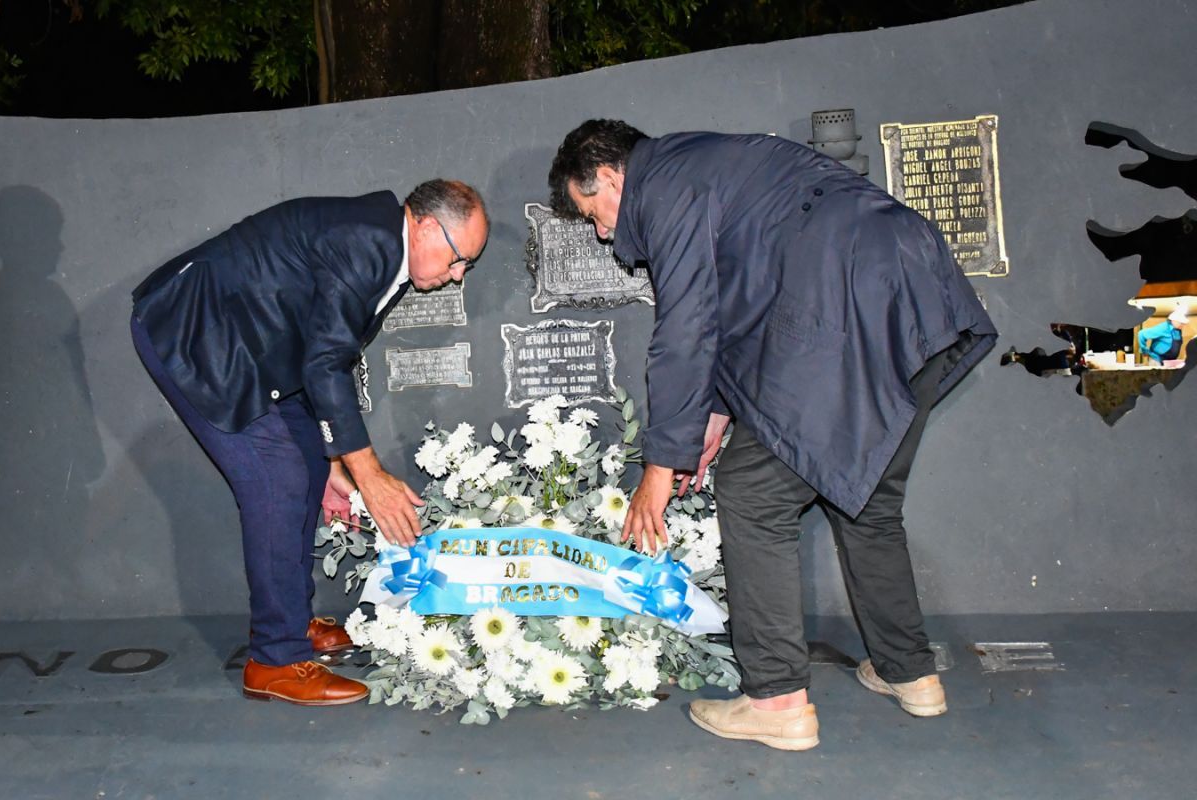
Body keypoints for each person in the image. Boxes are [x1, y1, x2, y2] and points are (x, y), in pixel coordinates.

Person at [549, 121, 996, 750]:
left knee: (752, 490)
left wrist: (659, 467)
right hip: (918, 299)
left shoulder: (666, 185)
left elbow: (687, 328)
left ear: (614, 175)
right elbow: (745, 298)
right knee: (864, 500)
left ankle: (777, 700)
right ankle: (911, 673)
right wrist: (715, 413)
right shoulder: (709, 165)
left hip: (845, 310)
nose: (602, 233)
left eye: (593, 211)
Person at [131, 181, 488, 705]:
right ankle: (276, 658)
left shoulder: (390, 251)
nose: (457, 276)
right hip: (195, 330)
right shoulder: (367, 243)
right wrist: (369, 475)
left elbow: (324, 348)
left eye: (466, 267)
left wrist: (335, 463)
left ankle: (293, 622)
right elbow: (325, 364)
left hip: (258, 347)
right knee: (278, 477)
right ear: (428, 227)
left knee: (308, 466)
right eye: (459, 260)